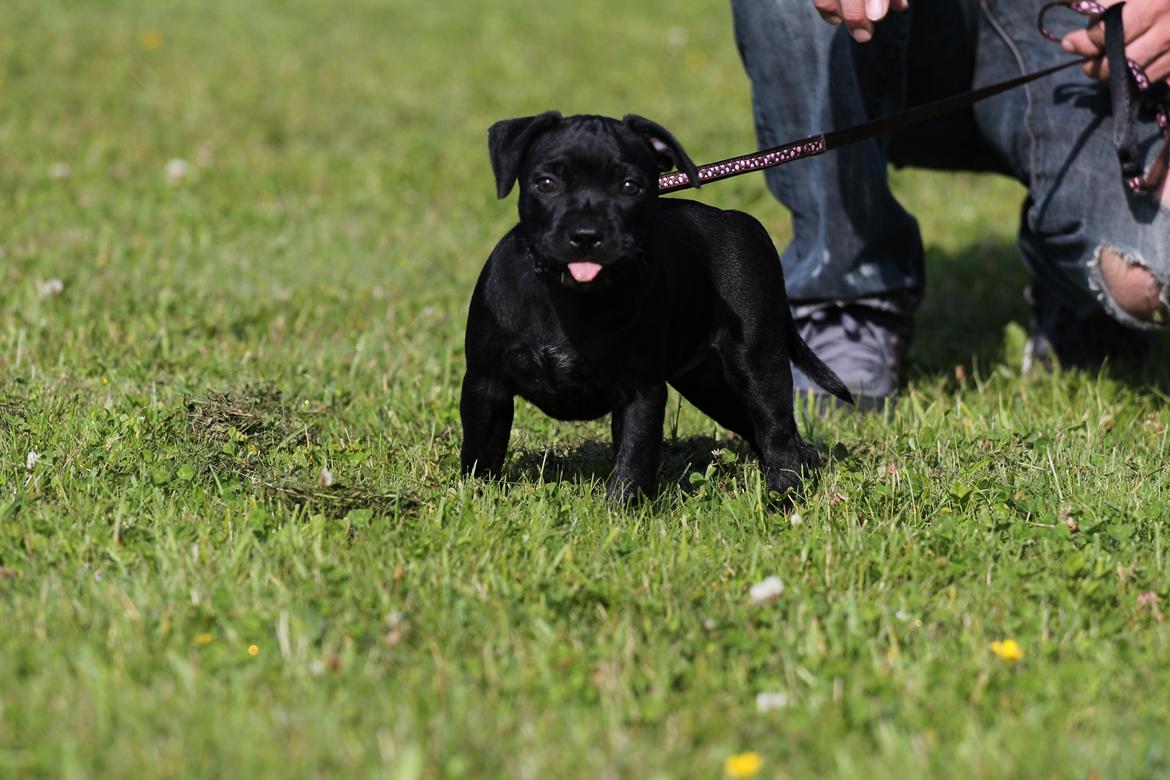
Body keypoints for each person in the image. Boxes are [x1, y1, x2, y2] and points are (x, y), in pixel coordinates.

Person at [730, 0, 1170, 409]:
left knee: (1147, 275)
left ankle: (1072, 287)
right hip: (891, 33)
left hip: (1074, 28)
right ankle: (843, 301)